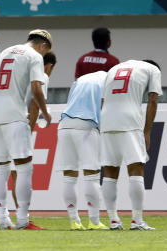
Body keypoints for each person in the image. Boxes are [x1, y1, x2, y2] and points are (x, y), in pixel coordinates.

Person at [0, 29, 53, 230]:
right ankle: (23, 220)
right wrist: (45, 112)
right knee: (24, 168)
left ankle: (1, 219)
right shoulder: (34, 56)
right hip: (15, 116)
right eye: (45, 52)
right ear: (43, 46)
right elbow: (36, 88)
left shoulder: (5, 52)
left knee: (1, 168)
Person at [99, 59, 162, 231]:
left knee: (110, 171)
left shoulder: (114, 69)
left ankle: (113, 220)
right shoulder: (153, 70)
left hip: (106, 119)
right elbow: (153, 100)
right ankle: (137, 220)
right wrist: (147, 131)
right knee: (136, 168)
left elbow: (103, 101)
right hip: (130, 120)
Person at [56, 69, 107, 231]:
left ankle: (74, 221)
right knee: (91, 175)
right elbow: (105, 105)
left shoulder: (80, 80)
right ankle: (94, 221)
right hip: (86, 124)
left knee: (69, 176)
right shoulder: (109, 79)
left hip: (64, 125)